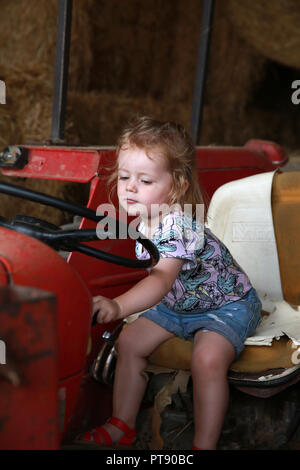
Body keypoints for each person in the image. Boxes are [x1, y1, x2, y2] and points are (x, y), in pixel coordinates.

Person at [80, 116, 262, 450]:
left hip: (225, 305)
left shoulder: (177, 225)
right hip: (180, 303)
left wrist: (118, 305)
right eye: (123, 177)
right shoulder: (145, 220)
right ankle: (122, 424)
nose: (129, 187)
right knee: (129, 343)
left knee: (207, 360)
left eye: (145, 180)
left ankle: (203, 445)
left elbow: (161, 280)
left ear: (175, 186)